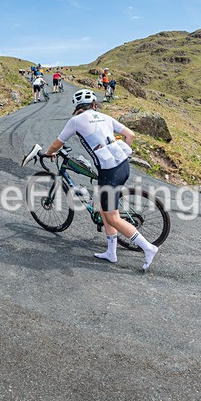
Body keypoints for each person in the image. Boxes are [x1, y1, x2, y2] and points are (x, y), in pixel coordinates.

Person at [43, 89, 158, 270]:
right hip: (122, 166)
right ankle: (111, 253)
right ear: (94, 104)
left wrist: (48, 153)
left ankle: (148, 248)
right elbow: (131, 135)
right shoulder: (105, 117)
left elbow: (57, 144)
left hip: (109, 172)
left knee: (112, 217)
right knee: (104, 211)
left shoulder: (75, 121)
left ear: (77, 107)